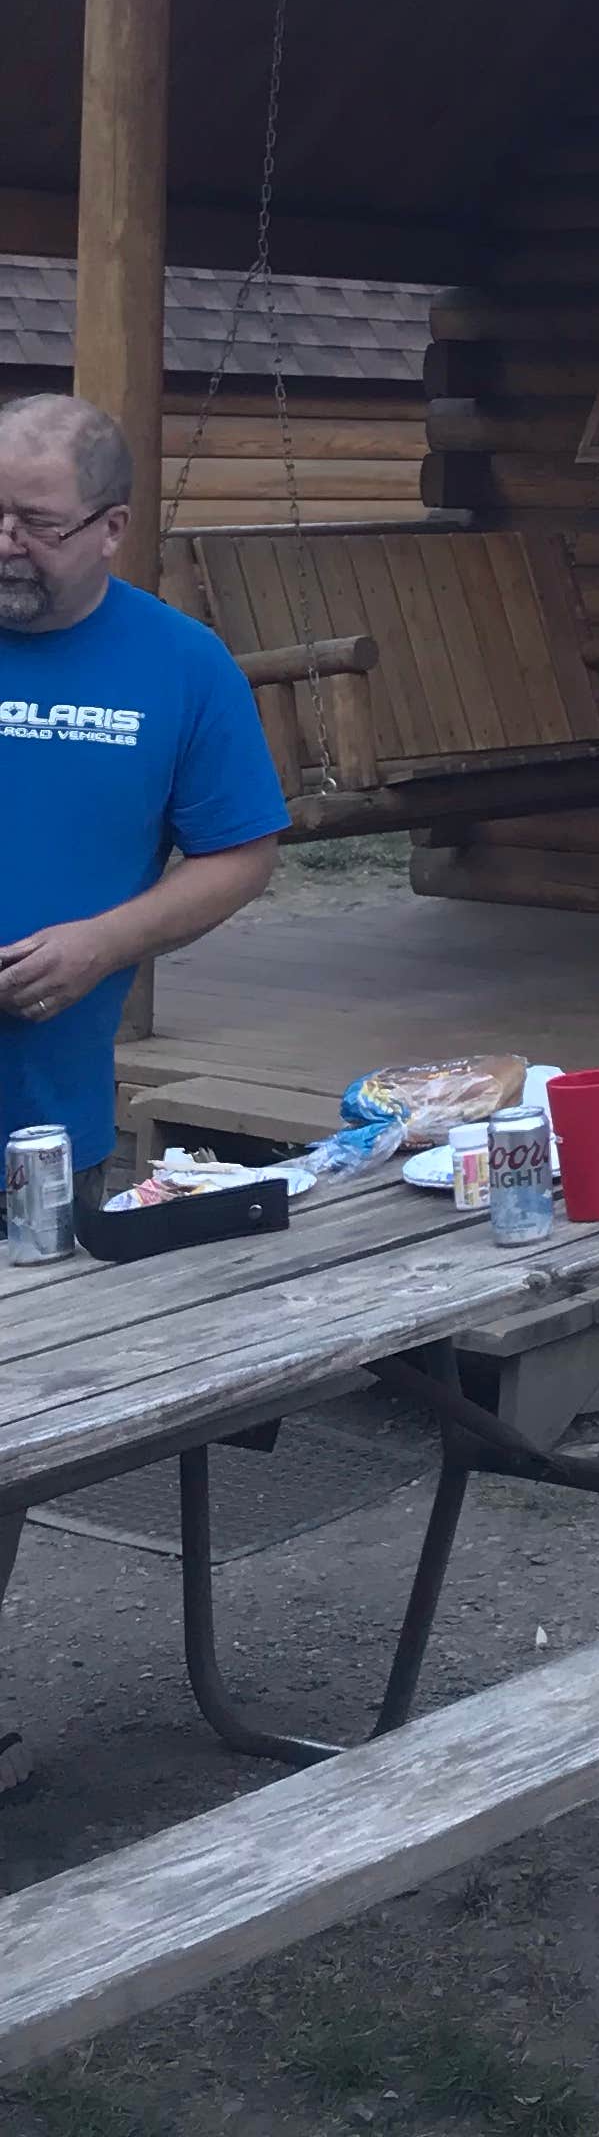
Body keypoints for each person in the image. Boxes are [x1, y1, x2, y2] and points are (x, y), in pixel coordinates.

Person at [0, 392, 284, 1793]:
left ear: (112, 528)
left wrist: (105, 942)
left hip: (38, 1121)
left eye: (35, 524)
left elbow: (242, 851)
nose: (3, 543)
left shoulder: (178, 668)